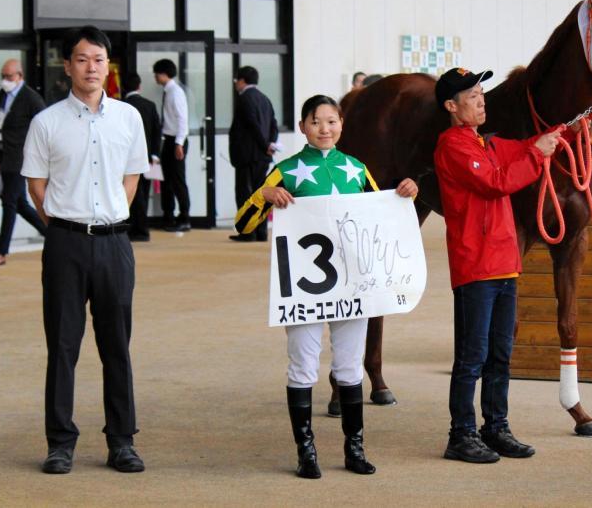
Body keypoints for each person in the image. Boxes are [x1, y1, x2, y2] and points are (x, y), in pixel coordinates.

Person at [235, 94, 418, 479]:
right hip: (305, 290)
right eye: (316, 121)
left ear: (342, 125)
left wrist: (404, 196)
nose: (325, 129)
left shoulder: (356, 169)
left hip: (353, 286)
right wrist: (262, 196)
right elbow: (243, 224)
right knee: (302, 367)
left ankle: (355, 448)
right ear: (302, 126)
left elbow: (384, 218)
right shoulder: (284, 170)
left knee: (350, 367)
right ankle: (306, 451)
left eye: (332, 121)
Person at [22, 25, 150, 474]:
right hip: (65, 245)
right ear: (67, 66)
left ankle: (122, 441)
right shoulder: (47, 122)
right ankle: (60, 443)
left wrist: (111, 216)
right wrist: (65, 223)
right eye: (81, 59)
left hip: (114, 244)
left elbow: (132, 177)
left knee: (117, 346)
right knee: (63, 345)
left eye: (98, 59)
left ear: (107, 65)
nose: (90, 67)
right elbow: (36, 186)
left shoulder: (128, 118)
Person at [433, 67, 561, 464]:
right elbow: (497, 182)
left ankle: (495, 426)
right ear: (452, 107)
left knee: (500, 354)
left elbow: (525, 147)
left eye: (481, 92)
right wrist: (537, 154)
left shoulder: (484, 143)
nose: (481, 99)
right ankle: (461, 433)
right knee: (473, 356)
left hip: (504, 265)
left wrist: (569, 125)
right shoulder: (454, 146)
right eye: (471, 95)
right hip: (476, 267)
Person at [0, 58, 47, 266]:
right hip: (6, 157)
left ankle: (1, 252)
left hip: (21, 159)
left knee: (8, 203)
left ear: (20, 76)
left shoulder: (31, 98)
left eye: (9, 76)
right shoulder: (3, 95)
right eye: (3, 76)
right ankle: (53, 233)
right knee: (20, 204)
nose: (5, 80)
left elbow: (45, 126)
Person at [228, 65, 279, 243]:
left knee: (244, 193)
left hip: (246, 154)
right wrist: (270, 144)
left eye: (236, 81)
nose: (236, 84)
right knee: (262, 193)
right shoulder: (265, 99)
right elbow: (273, 123)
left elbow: (252, 125)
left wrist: (264, 144)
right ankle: (261, 232)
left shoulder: (244, 99)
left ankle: (247, 232)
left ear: (242, 81)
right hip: (262, 156)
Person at [122, 72, 162, 242]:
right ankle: (142, 228)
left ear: (124, 88)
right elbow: (157, 130)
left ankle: (134, 227)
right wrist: (154, 154)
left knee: (130, 192)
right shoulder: (150, 105)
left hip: (127, 158)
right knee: (144, 192)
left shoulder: (121, 106)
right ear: (139, 86)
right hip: (147, 157)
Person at [153, 59, 191, 232]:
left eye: (156, 74)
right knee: (167, 180)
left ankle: (184, 217)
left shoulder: (176, 93)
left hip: (176, 140)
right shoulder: (168, 91)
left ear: (163, 74)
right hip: (169, 139)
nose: (155, 77)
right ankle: (168, 216)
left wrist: (179, 143)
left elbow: (183, 119)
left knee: (177, 180)